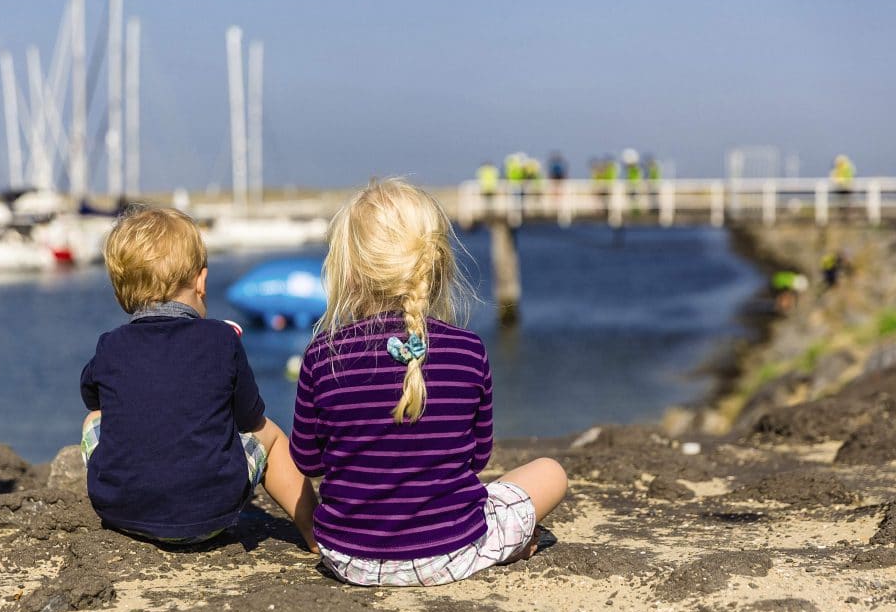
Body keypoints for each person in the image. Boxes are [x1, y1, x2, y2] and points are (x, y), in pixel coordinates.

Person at [289, 178, 568, 586]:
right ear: (436, 265)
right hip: (452, 551)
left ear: (347, 273)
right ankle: (504, 546)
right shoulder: (469, 351)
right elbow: (476, 460)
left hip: (348, 558)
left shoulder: (322, 356)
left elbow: (308, 462)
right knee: (550, 471)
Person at [80, 206, 318, 550]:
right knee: (272, 435)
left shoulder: (110, 345)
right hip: (212, 516)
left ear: (121, 292)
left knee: (95, 419)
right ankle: (313, 532)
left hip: (123, 516)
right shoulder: (222, 340)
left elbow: (94, 400)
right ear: (201, 282)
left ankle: (126, 490)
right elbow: (249, 418)